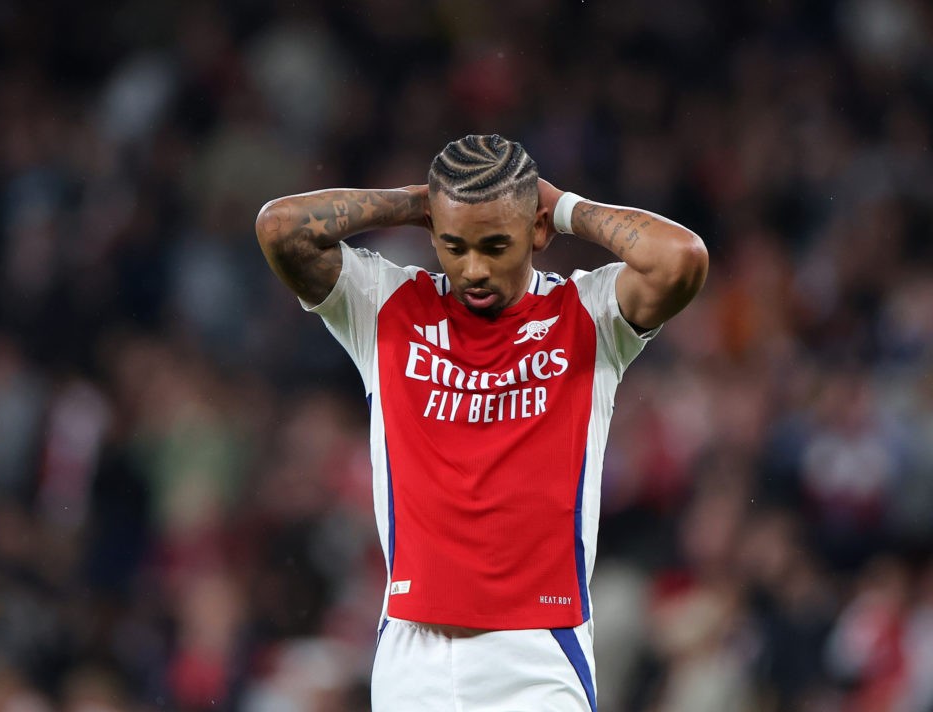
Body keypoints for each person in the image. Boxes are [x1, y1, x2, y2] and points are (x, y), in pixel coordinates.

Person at [255, 134, 707, 711]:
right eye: (454, 245)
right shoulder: (386, 305)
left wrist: (563, 206)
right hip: (411, 656)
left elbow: (681, 258)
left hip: (537, 655)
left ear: (537, 233)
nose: (474, 269)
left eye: (496, 245)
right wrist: (419, 202)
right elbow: (279, 228)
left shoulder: (587, 315)